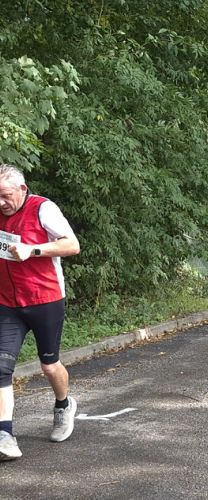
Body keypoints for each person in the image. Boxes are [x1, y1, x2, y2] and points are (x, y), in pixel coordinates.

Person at [0, 164, 80, 461]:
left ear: (22, 189)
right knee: (1, 366)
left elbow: (72, 245)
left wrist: (32, 250)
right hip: (7, 303)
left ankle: (63, 405)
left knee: (49, 365)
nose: (1, 203)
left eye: (5, 195)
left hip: (44, 299)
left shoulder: (43, 208)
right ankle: (5, 434)